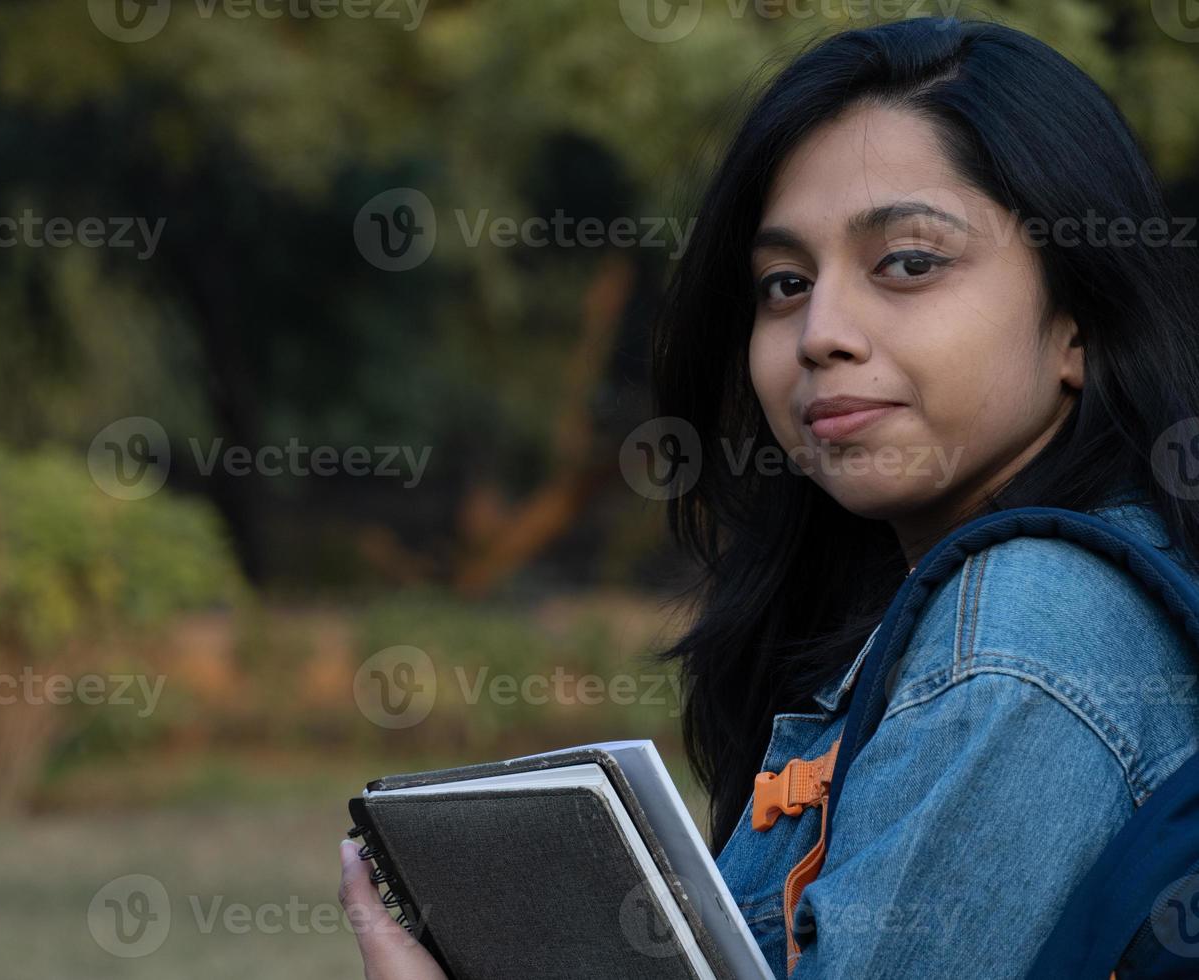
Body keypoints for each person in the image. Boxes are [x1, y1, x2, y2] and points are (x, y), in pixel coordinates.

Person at [340, 15, 1199, 978]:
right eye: (784, 283)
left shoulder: (1019, 635)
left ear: (1077, 320)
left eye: (909, 263)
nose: (820, 331)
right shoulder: (946, 611)